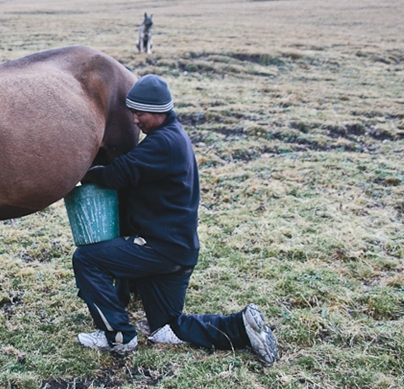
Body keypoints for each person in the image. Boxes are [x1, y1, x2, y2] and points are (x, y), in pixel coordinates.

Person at [73, 74, 278, 364]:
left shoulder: (163, 144)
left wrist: (79, 172)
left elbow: (117, 174)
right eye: (132, 112)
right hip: (179, 251)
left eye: (139, 113)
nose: (134, 120)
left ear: (158, 112)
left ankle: (118, 336)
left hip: (158, 249)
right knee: (165, 329)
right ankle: (241, 327)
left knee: (86, 259)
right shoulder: (174, 136)